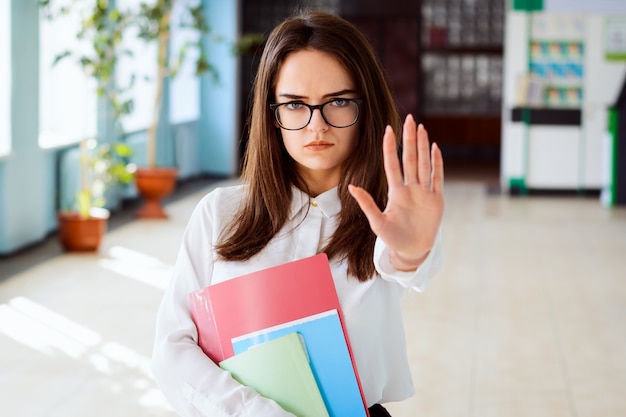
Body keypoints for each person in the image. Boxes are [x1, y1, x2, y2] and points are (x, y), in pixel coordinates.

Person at [152, 10, 444, 417]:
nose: (316, 126)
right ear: (272, 114)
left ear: (366, 105)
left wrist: (413, 253)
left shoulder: (387, 219)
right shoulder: (219, 214)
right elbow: (172, 349)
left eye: (338, 102)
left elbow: (405, 262)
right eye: (294, 105)